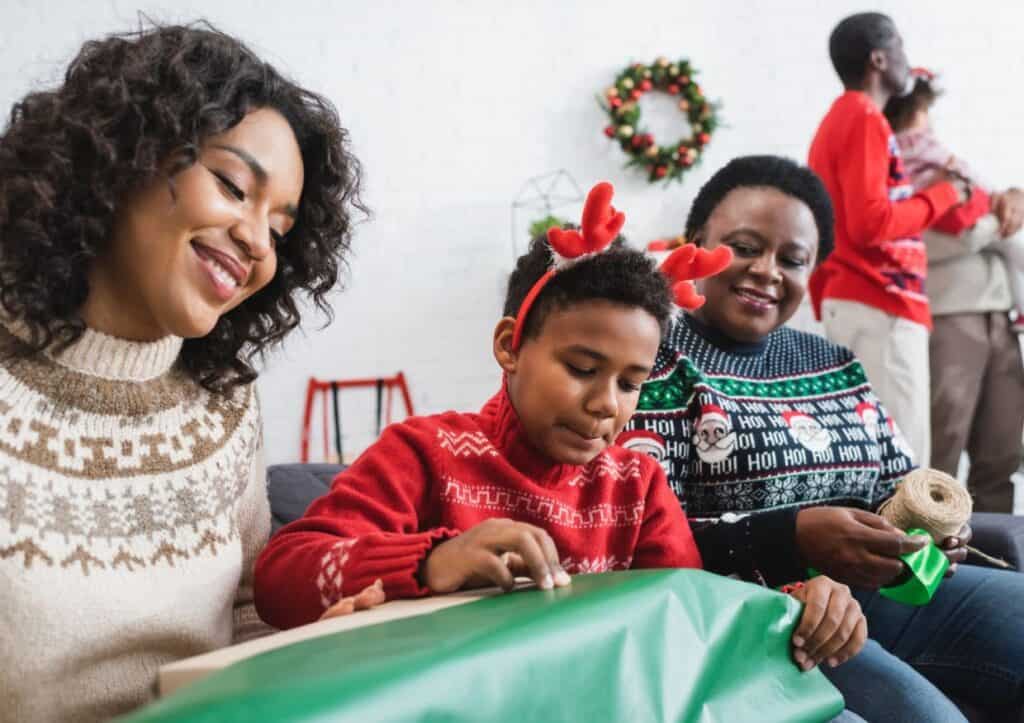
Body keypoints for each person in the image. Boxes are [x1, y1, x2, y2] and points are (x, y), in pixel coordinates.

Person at [254, 184, 867, 687]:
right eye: (581, 369)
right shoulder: (424, 454)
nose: (605, 405)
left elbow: (686, 615)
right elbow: (281, 579)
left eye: (631, 383)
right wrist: (433, 559)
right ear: (509, 346)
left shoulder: (636, 485)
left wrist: (799, 607)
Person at [0, 22, 364, 722]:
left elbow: (246, 615)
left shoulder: (223, 407)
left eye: (281, 232)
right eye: (232, 185)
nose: (257, 242)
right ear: (122, 154)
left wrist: (321, 638)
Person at [626, 155, 1024, 722]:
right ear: (695, 246)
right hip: (760, 617)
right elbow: (636, 540)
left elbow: (899, 482)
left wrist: (937, 532)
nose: (768, 271)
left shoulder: (832, 361)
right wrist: (791, 537)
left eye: (792, 259)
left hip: (885, 597)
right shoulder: (649, 361)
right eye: (743, 247)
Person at [807, 12, 972, 467]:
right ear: (879, 58)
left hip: (862, 298)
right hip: (880, 301)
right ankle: (913, 542)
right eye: (900, 46)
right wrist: (945, 194)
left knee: (874, 454)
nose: (907, 60)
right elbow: (870, 224)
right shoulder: (863, 118)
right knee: (904, 459)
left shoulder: (841, 119)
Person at [883, 71, 1024, 513]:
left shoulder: (954, 171)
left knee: (1001, 450)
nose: (926, 129)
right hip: (948, 319)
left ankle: (1000, 565)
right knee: (941, 454)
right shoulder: (896, 177)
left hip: (1000, 317)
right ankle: (936, 564)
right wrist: (991, 225)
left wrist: (1006, 202)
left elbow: (995, 220)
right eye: (920, 115)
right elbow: (934, 241)